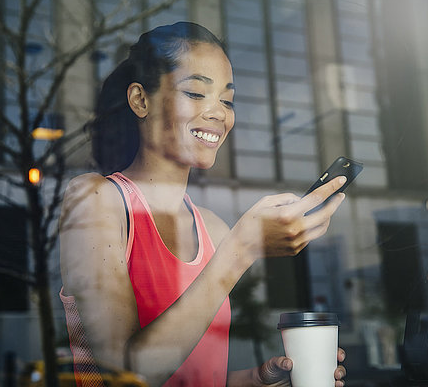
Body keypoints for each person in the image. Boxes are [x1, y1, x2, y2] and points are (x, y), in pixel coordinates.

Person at [60, 22, 347, 387]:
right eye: (196, 93)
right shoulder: (95, 199)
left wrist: (263, 379)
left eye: (227, 100)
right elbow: (125, 375)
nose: (218, 113)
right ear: (140, 100)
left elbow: (197, 376)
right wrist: (241, 250)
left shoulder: (211, 228)